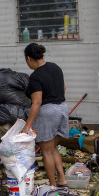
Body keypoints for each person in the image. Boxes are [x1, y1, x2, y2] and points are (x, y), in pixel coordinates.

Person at [22, 43, 69, 188]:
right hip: (62, 108)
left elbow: (36, 103)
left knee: (46, 152)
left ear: (29, 58)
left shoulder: (35, 76)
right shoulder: (55, 67)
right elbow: (64, 88)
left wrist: (27, 126)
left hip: (48, 112)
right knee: (53, 148)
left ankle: (53, 186)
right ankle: (62, 179)